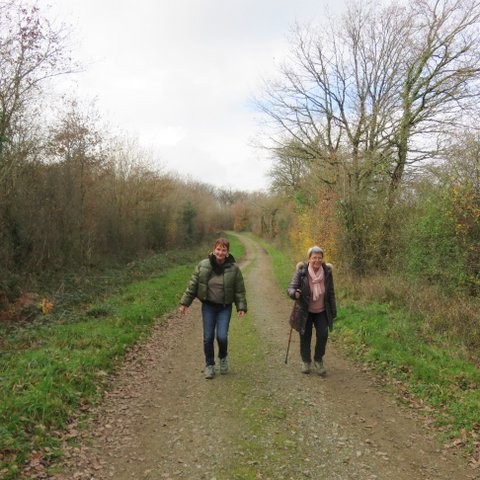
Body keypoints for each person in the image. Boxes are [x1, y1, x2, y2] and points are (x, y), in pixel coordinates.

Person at [179, 237, 247, 379]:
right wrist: (185, 303)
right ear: (213, 249)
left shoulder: (234, 269)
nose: (220, 252)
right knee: (208, 337)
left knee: (222, 336)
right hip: (208, 307)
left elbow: (239, 290)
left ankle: (223, 357)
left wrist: (241, 307)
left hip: (224, 308)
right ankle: (209, 364)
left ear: (227, 252)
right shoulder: (203, 265)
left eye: (223, 250)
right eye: (218, 249)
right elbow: (193, 285)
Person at [287, 246, 336, 376]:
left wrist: (333, 311)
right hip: (305, 310)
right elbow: (291, 287)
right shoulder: (302, 272)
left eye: (319, 258)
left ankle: (318, 360)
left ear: (322, 259)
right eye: (314, 257)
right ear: (309, 259)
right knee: (305, 336)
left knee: (323, 335)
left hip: (322, 311)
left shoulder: (327, 273)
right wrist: (294, 293)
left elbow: (331, 293)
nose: (317, 260)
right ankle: (306, 361)